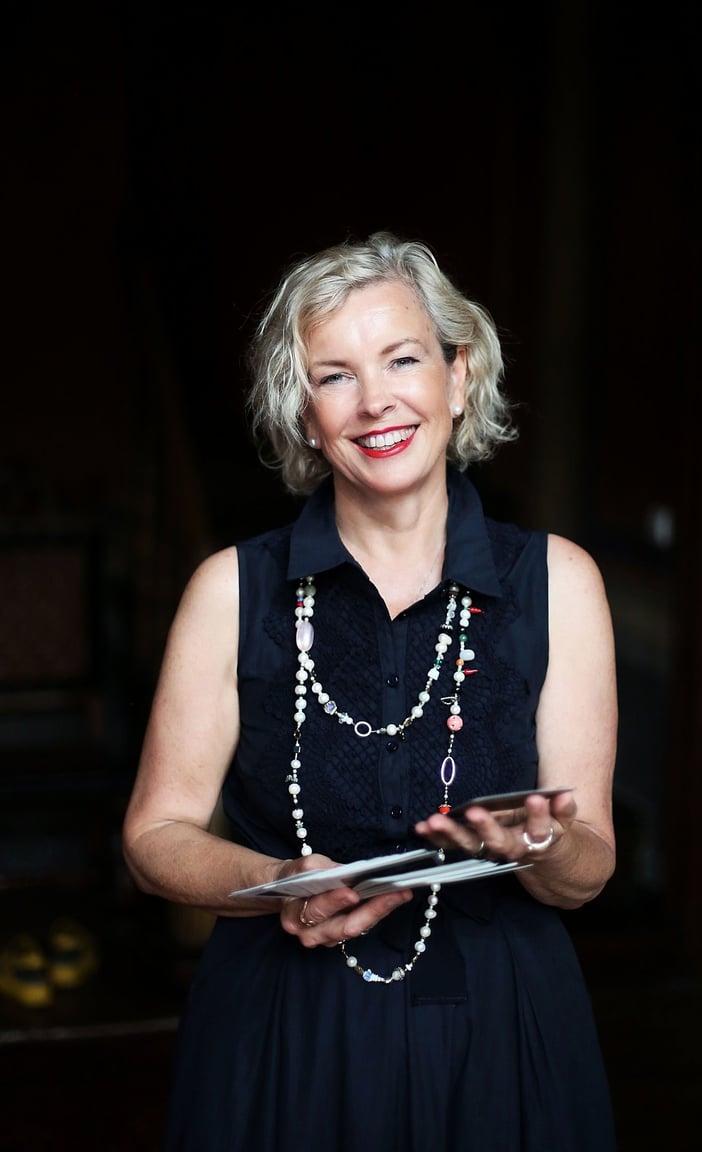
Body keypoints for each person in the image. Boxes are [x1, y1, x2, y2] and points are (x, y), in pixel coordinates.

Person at [122, 230, 618, 1151]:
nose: (375, 400)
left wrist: (542, 843)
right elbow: (155, 838)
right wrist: (269, 881)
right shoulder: (231, 589)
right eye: (333, 375)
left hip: (502, 1034)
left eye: (402, 359)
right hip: (281, 1038)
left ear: (459, 377)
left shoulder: (561, 582)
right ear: (304, 414)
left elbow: (591, 872)